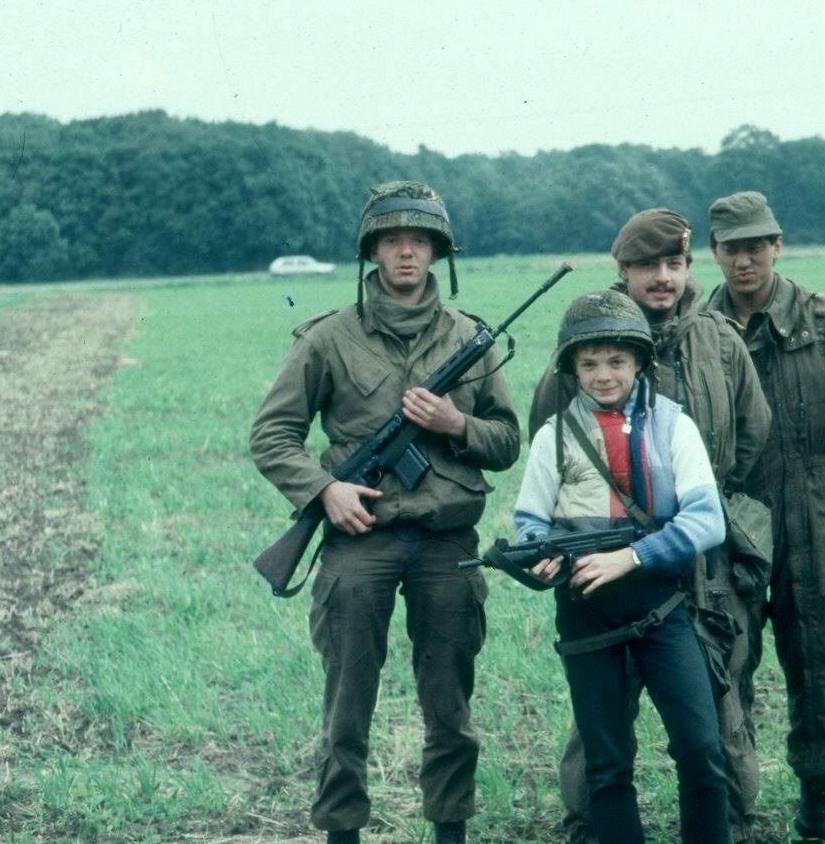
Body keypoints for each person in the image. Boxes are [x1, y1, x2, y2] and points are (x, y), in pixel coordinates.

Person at [250, 182, 522, 844]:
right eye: (392, 240)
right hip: (359, 541)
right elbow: (272, 435)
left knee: (450, 707)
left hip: (446, 542)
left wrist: (457, 424)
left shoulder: (471, 339)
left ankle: (450, 831)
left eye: (419, 241)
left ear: (437, 252)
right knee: (347, 708)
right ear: (372, 251)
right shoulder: (327, 338)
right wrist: (325, 492)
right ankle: (342, 830)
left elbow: (506, 442)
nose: (406, 252)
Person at [529, 208, 772, 843]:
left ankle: (729, 826)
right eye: (645, 265)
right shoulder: (579, 348)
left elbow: (751, 438)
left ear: (689, 266)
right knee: (602, 733)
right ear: (623, 270)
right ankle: (591, 827)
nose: (661, 277)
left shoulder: (718, 341)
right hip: (597, 583)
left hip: (699, 568)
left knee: (712, 716)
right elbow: (548, 457)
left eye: (673, 263)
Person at [514, 289, 730, 844]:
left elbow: (708, 521)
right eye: (589, 364)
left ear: (638, 362)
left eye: (616, 360)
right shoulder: (552, 437)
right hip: (587, 615)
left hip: (664, 609)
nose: (603, 375)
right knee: (607, 764)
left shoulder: (674, 425)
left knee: (701, 749)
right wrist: (541, 558)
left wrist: (631, 557)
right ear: (571, 369)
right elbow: (530, 523)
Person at [703, 191, 825, 844]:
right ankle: (733, 813)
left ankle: (818, 807)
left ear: (777, 246)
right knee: (726, 668)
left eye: (756, 246)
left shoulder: (822, 321)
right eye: (731, 249)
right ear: (714, 253)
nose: (744, 260)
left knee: (821, 666)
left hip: (813, 514)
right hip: (732, 518)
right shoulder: (700, 330)